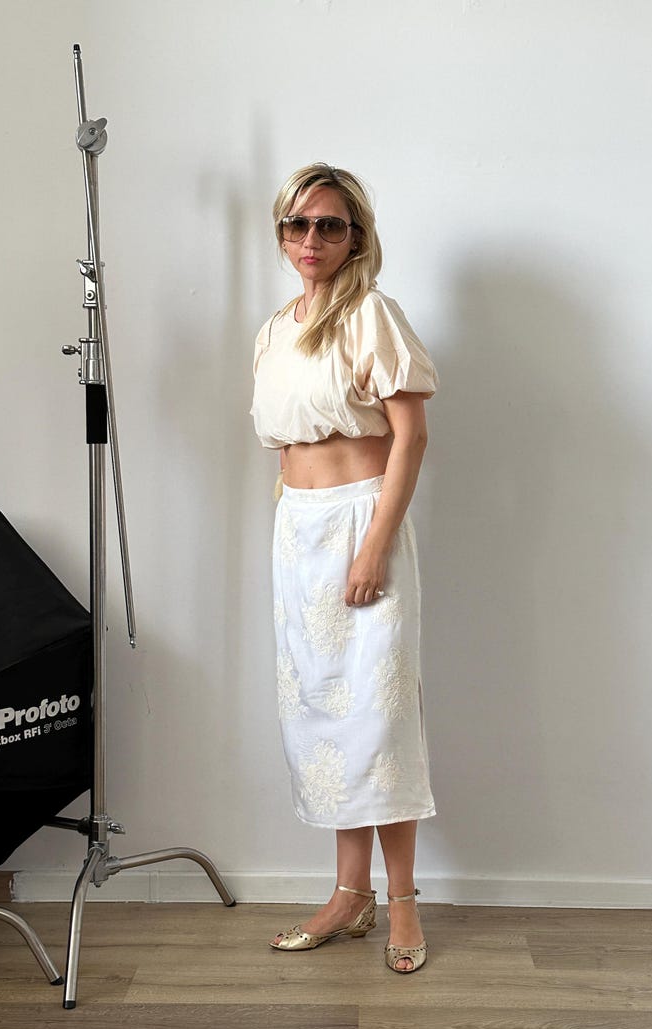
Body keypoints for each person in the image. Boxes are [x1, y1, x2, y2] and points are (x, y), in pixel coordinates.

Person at [250, 163, 438, 973]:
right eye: (298, 224)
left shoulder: (371, 315)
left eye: (329, 224)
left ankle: (403, 902)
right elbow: (285, 445)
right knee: (323, 719)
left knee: (378, 719)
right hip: (299, 533)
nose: (311, 239)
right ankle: (348, 894)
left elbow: (411, 436)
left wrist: (374, 545)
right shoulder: (274, 329)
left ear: (355, 236)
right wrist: (295, 537)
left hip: (364, 521)